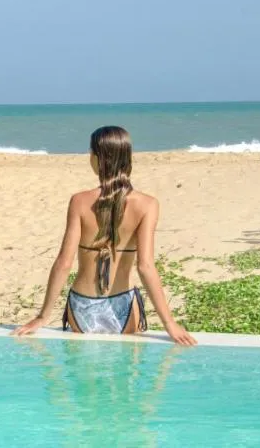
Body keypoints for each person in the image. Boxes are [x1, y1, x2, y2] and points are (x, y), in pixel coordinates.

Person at [12, 126, 196, 345]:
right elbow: (145, 266)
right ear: (127, 158)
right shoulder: (148, 205)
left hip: (82, 306)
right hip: (124, 304)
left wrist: (42, 317)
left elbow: (64, 263)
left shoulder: (79, 201)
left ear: (97, 158)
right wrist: (169, 323)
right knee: (123, 365)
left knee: (81, 367)